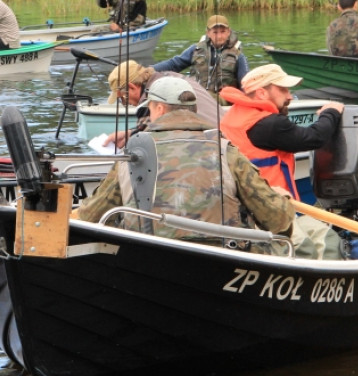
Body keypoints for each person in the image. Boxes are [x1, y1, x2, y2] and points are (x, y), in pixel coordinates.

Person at [75, 75, 295, 249]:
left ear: (159, 109)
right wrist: (282, 197)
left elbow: (90, 217)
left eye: (150, 108)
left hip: (145, 257)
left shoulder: (132, 155)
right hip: (221, 262)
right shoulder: (226, 151)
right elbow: (278, 220)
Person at [219, 64, 344, 201]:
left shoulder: (232, 116)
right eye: (283, 90)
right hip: (270, 205)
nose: (290, 96)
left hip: (243, 202)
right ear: (261, 93)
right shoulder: (269, 124)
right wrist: (331, 112)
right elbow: (314, 138)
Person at [153, 14, 248, 93]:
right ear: (208, 33)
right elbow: (174, 64)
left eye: (223, 32)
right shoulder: (196, 49)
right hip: (198, 96)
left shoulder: (238, 55)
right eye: (215, 32)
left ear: (228, 32)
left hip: (224, 101)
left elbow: (245, 84)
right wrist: (150, 70)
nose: (219, 36)